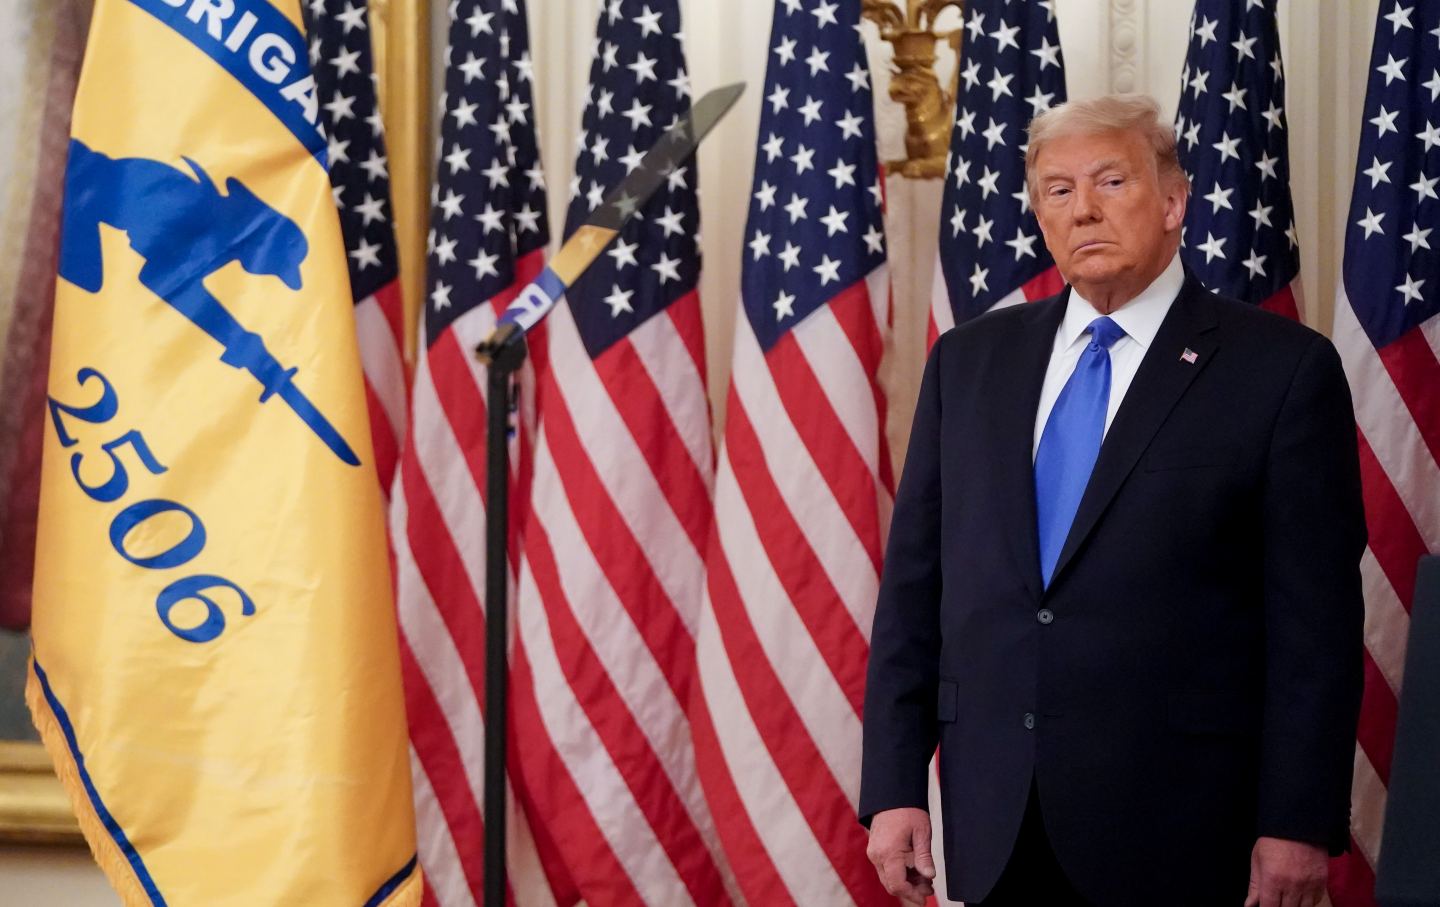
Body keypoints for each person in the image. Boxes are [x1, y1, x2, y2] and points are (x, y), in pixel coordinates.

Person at [860, 94, 1366, 907]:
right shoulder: (969, 363)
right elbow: (915, 594)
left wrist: (1298, 821)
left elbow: (1317, 626)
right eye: (1056, 190)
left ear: (1173, 202)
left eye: (1110, 180)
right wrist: (893, 784)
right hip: (997, 821)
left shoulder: (1281, 371)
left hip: (1186, 828)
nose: (1082, 208)